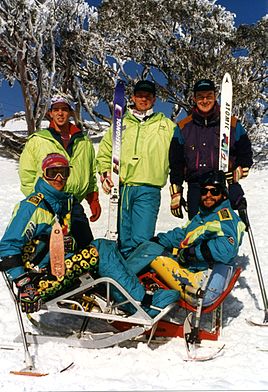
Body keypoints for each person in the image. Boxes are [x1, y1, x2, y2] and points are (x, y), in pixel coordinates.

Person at [0, 153, 179, 316]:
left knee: (108, 247)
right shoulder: (32, 207)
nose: (59, 178)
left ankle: (129, 298)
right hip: (38, 281)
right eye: (52, 173)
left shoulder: (62, 203)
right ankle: (142, 304)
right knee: (101, 248)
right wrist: (25, 285)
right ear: (43, 174)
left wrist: (70, 244)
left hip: (56, 267)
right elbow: (7, 247)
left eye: (63, 172)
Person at [96, 80, 177, 257]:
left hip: (149, 188)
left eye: (148, 96)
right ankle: (124, 278)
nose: (143, 99)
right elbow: (104, 153)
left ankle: (138, 279)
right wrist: (105, 173)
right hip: (123, 188)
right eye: (140, 95)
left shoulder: (166, 126)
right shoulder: (120, 124)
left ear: (154, 99)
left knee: (142, 240)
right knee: (123, 240)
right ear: (133, 97)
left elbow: (182, 153)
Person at [148, 170, 246, 304]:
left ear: (223, 195)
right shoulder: (204, 215)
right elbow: (184, 234)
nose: (208, 195)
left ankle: (134, 297)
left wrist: (192, 253)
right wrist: (159, 240)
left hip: (203, 284)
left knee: (153, 259)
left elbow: (226, 249)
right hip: (196, 273)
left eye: (215, 191)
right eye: (204, 191)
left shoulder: (225, 218)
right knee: (153, 251)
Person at [19, 95, 101, 247]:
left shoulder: (83, 141)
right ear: (50, 113)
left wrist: (93, 198)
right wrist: (37, 200)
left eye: (64, 109)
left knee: (85, 247)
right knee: (48, 250)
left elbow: (90, 173)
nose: (60, 113)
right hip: (47, 204)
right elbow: (26, 174)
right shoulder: (38, 140)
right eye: (56, 109)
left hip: (73, 203)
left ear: (70, 112)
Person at [169, 78, 253, 221]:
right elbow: (176, 162)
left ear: (215, 97)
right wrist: (176, 192)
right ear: (194, 98)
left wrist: (240, 168)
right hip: (196, 188)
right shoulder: (183, 128)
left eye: (209, 96)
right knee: (196, 232)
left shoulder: (232, 124)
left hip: (222, 186)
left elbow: (245, 152)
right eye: (200, 97)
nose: (205, 100)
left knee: (223, 231)